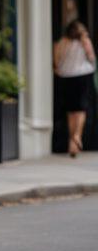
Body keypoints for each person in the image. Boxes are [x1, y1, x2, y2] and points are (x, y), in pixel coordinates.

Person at [54, 20, 96, 157]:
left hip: (66, 77)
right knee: (81, 109)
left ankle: (71, 141)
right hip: (82, 76)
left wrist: (59, 70)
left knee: (71, 111)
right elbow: (91, 57)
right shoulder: (84, 41)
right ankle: (77, 135)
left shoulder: (62, 42)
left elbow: (56, 61)